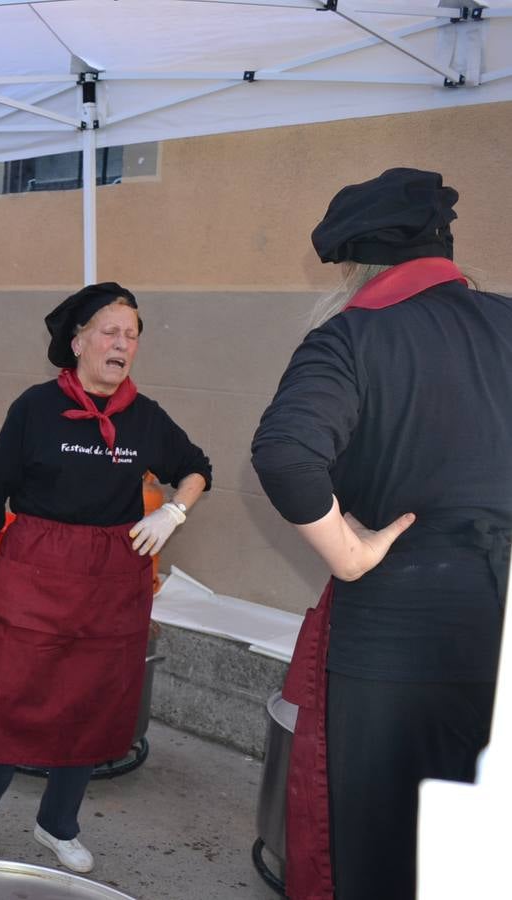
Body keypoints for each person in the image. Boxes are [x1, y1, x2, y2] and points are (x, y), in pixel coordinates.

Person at [251, 168, 509, 900]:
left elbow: (286, 452)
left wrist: (352, 552)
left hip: (397, 639)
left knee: (383, 845)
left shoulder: (353, 336)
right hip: (504, 635)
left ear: (359, 265)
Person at [0, 283, 211, 872]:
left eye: (132, 335)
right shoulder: (35, 407)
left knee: (88, 708)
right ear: (78, 341)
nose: (122, 344)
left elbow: (196, 468)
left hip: (112, 583)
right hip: (37, 572)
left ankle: (57, 826)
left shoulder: (146, 417)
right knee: (5, 701)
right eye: (110, 332)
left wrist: (174, 509)